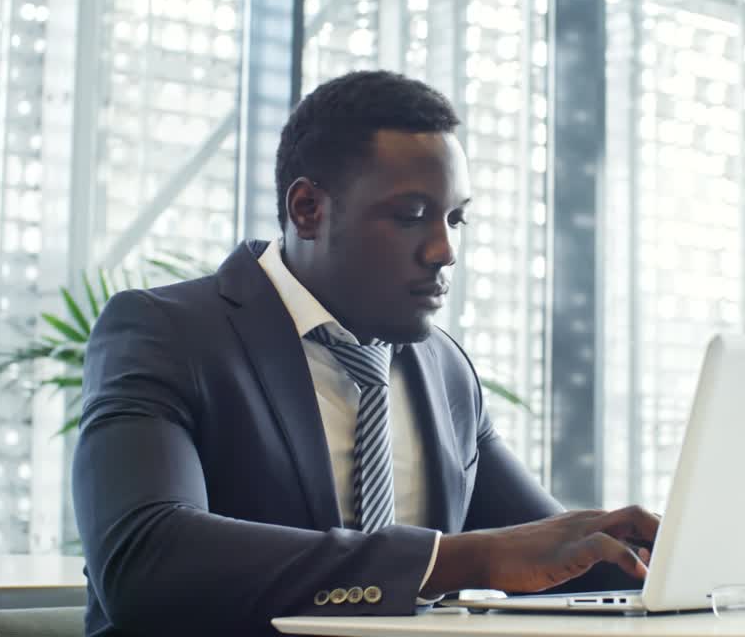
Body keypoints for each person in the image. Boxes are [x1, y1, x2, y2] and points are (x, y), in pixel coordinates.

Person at [73, 70, 658, 637]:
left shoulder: (444, 368)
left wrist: (671, 561)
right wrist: (447, 561)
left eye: (456, 218)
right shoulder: (166, 331)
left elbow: (543, 553)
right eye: (412, 217)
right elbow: (144, 560)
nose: (444, 250)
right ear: (308, 209)